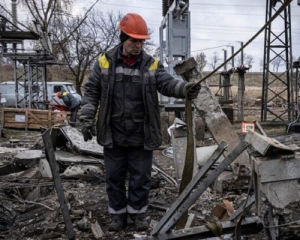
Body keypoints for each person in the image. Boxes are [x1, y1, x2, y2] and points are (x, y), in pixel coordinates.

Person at [80, 13, 201, 232]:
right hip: (113, 132)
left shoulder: (152, 64)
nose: (138, 45)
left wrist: (184, 89)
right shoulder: (104, 62)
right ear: (122, 38)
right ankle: (117, 216)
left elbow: (166, 83)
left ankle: (138, 215)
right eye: (133, 40)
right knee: (114, 177)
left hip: (141, 133)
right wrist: (87, 117)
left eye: (141, 41)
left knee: (140, 178)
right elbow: (91, 91)